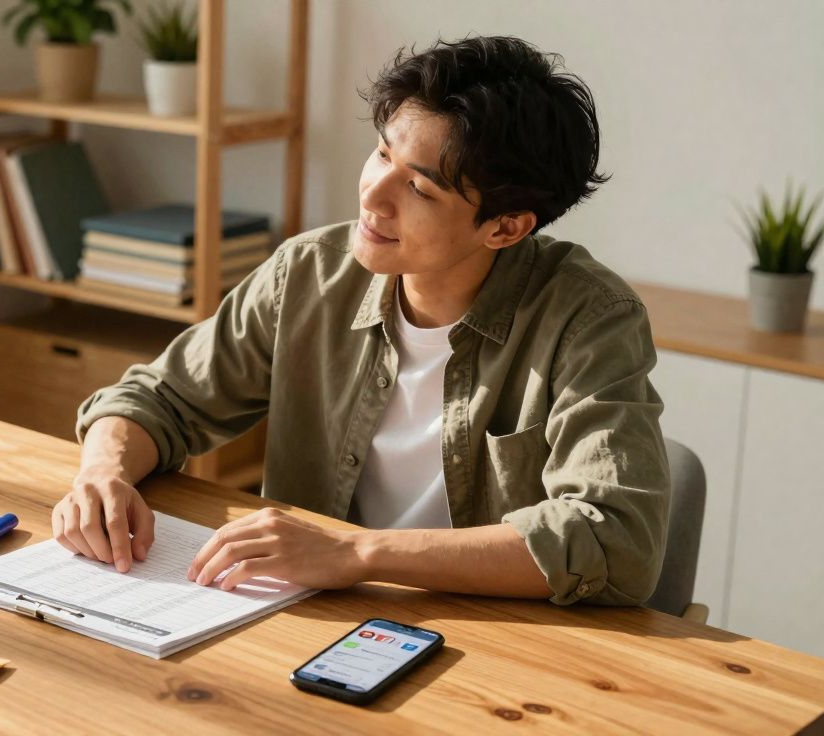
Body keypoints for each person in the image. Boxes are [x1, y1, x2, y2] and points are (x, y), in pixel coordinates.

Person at [51, 35, 670, 606]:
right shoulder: (310, 273)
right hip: (304, 613)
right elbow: (156, 398)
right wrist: (103, 472)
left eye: (421, 190)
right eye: (381, 153)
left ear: (505, 227)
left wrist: (357, 553)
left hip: (492, 639)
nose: (373, 195)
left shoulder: (590, 319)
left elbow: (614, 539)